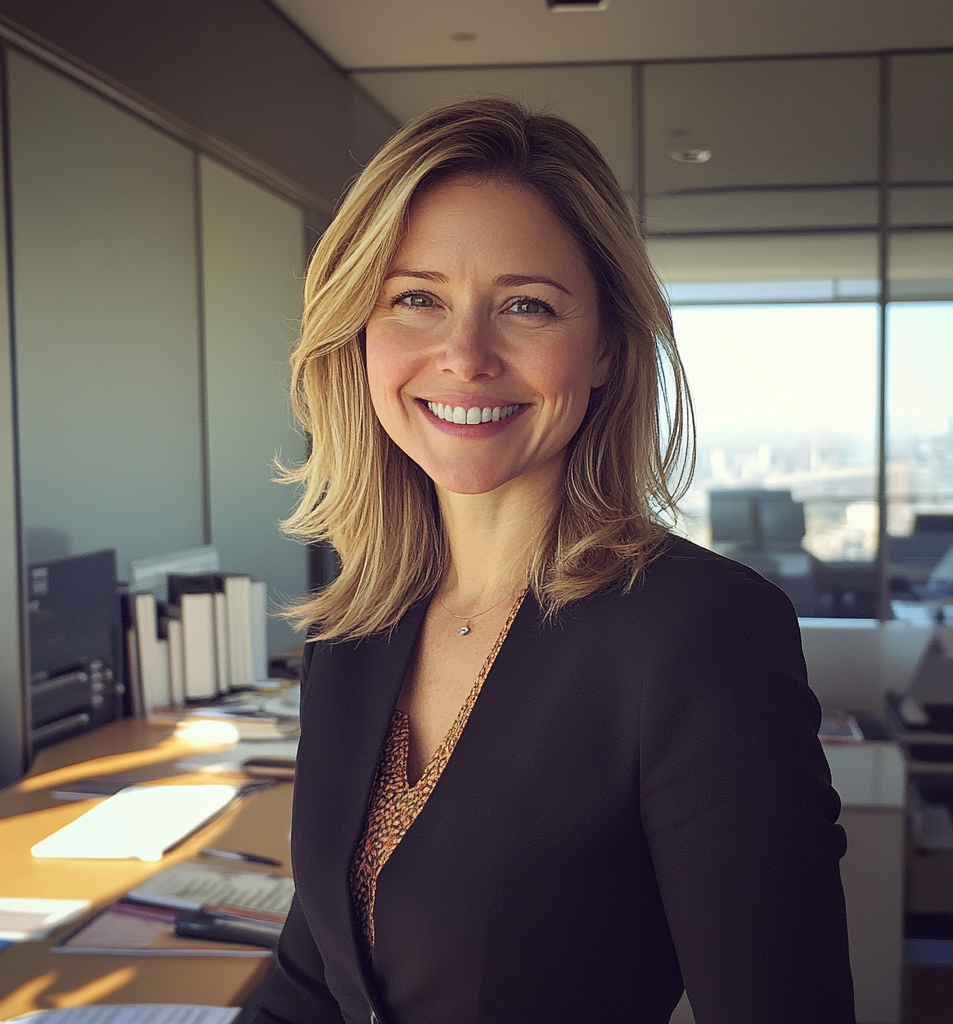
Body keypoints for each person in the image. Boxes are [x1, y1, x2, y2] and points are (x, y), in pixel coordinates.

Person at [252, 98, 855, 1024]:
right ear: (359, 332)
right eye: (417, 298)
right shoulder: (357, 627)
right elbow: (312, 979)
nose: (464, 355)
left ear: (609, 346)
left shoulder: (701, 633)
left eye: (525, 306)